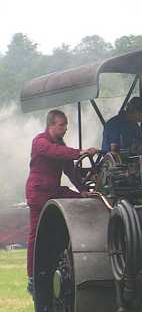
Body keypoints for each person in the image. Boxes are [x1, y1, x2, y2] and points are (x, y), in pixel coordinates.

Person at [25, 109, 98, 296]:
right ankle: (32, 278)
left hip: (54, 190)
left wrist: (84, 191)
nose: (65, 128)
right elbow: (56, 152)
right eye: (61, 125)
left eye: (66, 125)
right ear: (50, 125)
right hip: (39, 192)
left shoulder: (61, 147)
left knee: (80, 200)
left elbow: (70, 172)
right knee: (35, 234)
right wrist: (81, 152)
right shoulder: (40, 141)